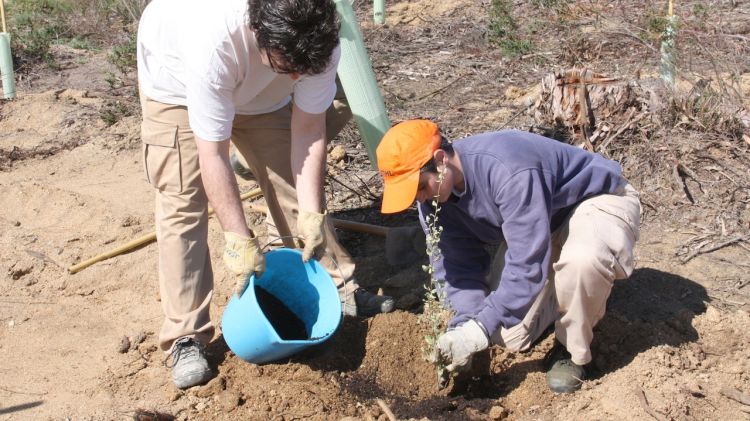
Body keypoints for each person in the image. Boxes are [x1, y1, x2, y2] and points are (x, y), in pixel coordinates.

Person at [136, 0, 394, 389]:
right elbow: (212, 153)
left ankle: (336, 286)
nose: (295, 74)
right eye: (286, 67)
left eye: (300, 71)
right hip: (177, 86)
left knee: (294, 185)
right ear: (258, 32)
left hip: (261, 94)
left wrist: (312, 212)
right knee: (183, 201)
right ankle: (186, 333)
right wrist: (239, 238)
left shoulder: (318, 40)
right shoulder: (213, 44)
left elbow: (308, 131)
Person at [376, 120, 640, 393]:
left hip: (594, 202)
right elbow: (457, 269)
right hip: (542, 227)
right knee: (508, 336)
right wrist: (465, 327)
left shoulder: (507, 168)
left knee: (583, 261)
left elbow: (526, 263)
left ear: (440, 160)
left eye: (420, 187)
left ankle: (572, 350)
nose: (419, 199)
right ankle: (571, 293)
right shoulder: (433, 202)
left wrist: (482, 325)